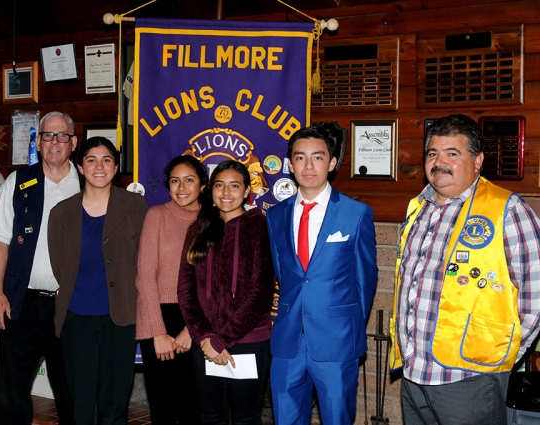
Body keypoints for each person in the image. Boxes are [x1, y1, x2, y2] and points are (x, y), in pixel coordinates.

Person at [389, 114, 540, 425]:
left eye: (452, 153)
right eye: (432, 153)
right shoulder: (418, 208)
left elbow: (535, 295)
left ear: (478, 160)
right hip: (414, 374)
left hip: (470, 378)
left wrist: (500, 357)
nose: (439, 162)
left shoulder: (507, 209)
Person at [266, 123, 378, 425]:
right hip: (288, 341)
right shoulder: (275, 215)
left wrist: (345, 324)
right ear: (290, 165)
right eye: (300, 158)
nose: (308, 165)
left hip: (336, 341)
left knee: (337, 419)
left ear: (331, 163)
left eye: (317, 157)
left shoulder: (356, 213)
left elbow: (365, 280)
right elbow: (284, 274)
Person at [48, 136, 148, 425]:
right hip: (76, 317)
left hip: (120, 316)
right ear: (80, 167)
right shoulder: (61, 213)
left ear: (116, 168)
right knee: (81, 401)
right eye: (91, 160)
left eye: (107, 160)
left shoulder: (135, 207)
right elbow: (59, 264)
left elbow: (143, 258)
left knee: (114, 400)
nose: (99, 166)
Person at [0, 111, 79, 424]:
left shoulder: (87, 184)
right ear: (38, 143)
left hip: (70, 306)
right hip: (21, 303)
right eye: (47, 135)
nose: (54, 141)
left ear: (73, 143)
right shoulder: (18, 181)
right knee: (11, 393)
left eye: (62, 135)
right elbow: (0, 239)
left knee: (73, 392)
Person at [178, 160, 275, 425]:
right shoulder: (199, 229)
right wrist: (206, 337)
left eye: (235, 186)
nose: (226, 193)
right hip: (205, 343)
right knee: (210, 416)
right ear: (210, 190)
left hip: (248, 341)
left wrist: (223, 339)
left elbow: (261, 294)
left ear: (246, 192)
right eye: (219, 185)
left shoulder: (260, 228)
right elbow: (186, 290)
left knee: (246, 418)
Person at [135, 155, 207, 425]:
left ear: (202, 185)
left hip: (198, 319)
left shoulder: (212, 221)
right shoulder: (156, 216)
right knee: (163, 410)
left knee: (195, 408)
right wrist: (157, 331)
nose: (182, 187)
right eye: (175, 181)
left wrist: (192, 329)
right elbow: (144, 276)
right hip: (160, 318)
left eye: (189, 180)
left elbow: (214, 284)